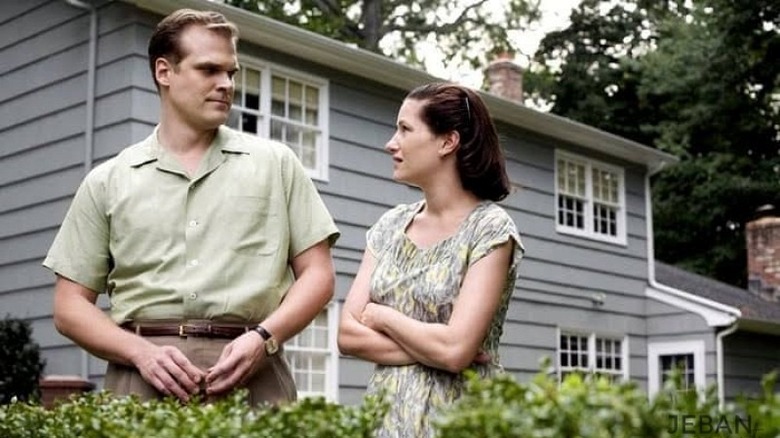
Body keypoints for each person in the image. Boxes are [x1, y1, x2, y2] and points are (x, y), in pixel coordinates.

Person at [43, 9, 339, 406]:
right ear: (164, 72)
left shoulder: (276, 164)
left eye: (231, 72)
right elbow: (68, 306)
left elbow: (318, 275)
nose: (226, 84)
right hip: (140, 382)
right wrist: (139, 352)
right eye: (209, 70)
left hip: (256, 375)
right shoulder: (108, 180)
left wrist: (265, 338)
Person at [337, 82, 525, 436]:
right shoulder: (390, 225)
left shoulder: (490, 229)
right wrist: (438, 348)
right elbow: (348, 335)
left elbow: (455, 351)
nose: (390, 143)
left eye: (405, 129)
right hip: (385, 421)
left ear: (447, 142)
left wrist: (382, 316)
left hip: (462, 421)